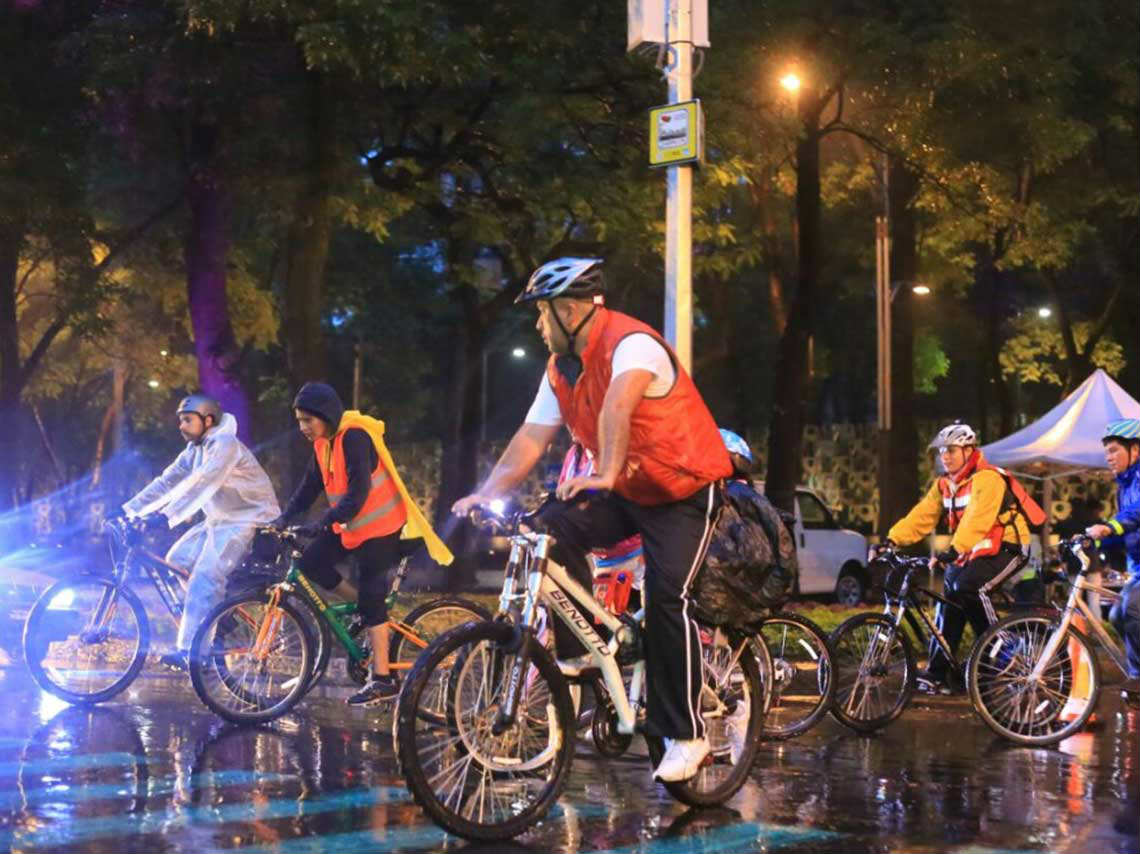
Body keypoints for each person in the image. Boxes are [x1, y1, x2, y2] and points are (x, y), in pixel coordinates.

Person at [452, 257, 732, 782]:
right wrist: (485, 492)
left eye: (542, 314)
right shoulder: (560, 369)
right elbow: (531, 437)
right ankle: (583, 650)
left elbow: (618, 407)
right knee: (544, 529)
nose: (538, 326)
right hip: (626, 487)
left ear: (571, 310)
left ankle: (688, 734)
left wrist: (603, 471)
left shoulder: (634, 344)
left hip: (683, 490)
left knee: (670, 599)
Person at [275, 382, 453, 706]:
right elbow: (308, 487)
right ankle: (363, 610)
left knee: (373, 594)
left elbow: (358, 492)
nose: (302, 428)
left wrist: (326, 521)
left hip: (382, 525)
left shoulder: (354, 437)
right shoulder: (322, 444)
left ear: (326, 416)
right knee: (310, 563)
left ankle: (382, 678)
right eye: (299, 421)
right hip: (354, 525)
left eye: (307, 421)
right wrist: (283, 519)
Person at [873, 421, 1044, 694]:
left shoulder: (988, 478)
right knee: (949, 598)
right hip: (974, 552)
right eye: (942, 451)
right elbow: (922, 515)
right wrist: (892, 540)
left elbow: (978, 517)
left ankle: (1005, 654)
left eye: (951, 450)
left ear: (969, 450)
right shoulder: (945, 485)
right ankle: (940, 673)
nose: (945, 456)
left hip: (1010, 548)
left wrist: (955, 548)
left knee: (971, 586)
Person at [123, 394, 280, 670]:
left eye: (187, 420)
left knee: (205, 577)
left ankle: (193, 652)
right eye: (180, 420)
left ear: (208, 420)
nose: (181, 426)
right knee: (177, 562)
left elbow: (203, 484)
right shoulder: (194, 451)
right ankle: (220, 617)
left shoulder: (226, 445)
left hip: (250, 520)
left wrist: (165, 517)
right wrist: (129, 510)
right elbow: (166, 482)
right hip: (219, 520)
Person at [1085, 418, 1140, 698]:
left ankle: (1138, 677)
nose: (1109, 457)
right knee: (1118, 614)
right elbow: (1124, 530)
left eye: (1115, 450)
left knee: (1131, 609)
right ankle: (1136, 675)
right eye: (1107, 452)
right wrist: (1098, 537)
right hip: (1138, 568)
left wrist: (1109, 526)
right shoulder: (1124, 485)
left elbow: (1135, 515)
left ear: (1135, 449)